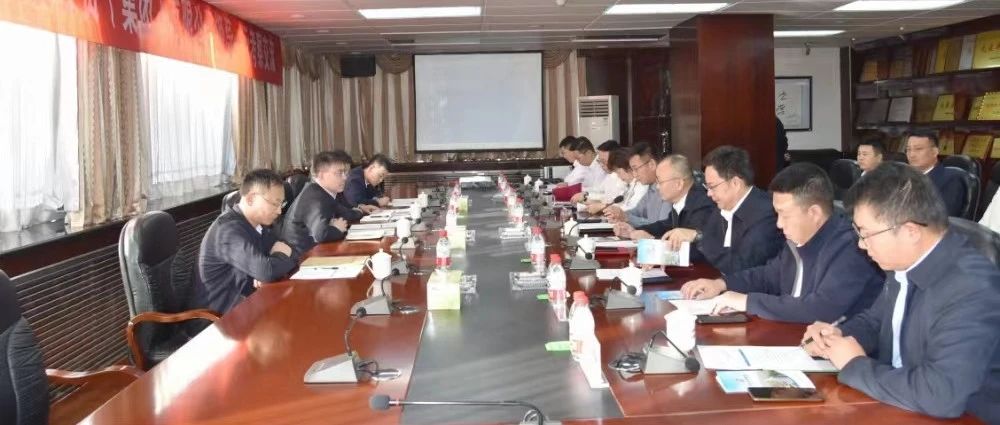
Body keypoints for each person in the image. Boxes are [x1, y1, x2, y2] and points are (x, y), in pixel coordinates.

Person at [802, 162, 1000, 424]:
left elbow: (940, 395)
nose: (861, 245)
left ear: (910, 231)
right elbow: (875, 322)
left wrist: (854, 365)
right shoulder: (904, 263)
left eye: (866, 234)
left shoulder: (972, 288)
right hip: (897, 403)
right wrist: (836, 337)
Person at [680, 163, 883, 323]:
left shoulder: (851, 248)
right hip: (792, 337)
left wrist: (747, 301)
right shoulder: (796, 240)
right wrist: (721, 284)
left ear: (814, 213)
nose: (778, 224)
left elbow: (820, 308)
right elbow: (769, 275)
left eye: (784, 215)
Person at [194, 169, 299, 315]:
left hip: (247, 303)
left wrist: (270, 266)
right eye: (275, 204)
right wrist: (270, 266)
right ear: (250, 199)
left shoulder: (259, 223)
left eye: (281, 204)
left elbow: (291, 250)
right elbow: (267, 270)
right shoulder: (227, 231)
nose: (279, 211)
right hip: (218, 317)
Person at [694, 145, 783, 274]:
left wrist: (698, 238)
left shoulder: (766, 214)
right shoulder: (723, 206)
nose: (709, 193)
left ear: (735, 183)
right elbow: (707, 249)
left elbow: (741, 265)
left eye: (712, 187)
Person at [629, 155, 715, 252]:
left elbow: (693, 250)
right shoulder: (680, 200)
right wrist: (634, 230)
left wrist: (651, 240)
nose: (657, 187)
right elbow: (665, 226)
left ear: (679, 184)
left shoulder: (702, 205)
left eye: (660, 182)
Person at [280, 150, 356, 252]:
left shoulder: (322, 192)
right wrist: (337, 228)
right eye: (339, 173)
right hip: (302, 256)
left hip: (314, 250)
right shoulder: (314, 197)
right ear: (321, 175)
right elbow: (321, 234)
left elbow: (342, 213)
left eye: (345, 173)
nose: (345, 177)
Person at [605, 142, 672, 230]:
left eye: (636, 169)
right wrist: (619, 215)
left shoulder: (669, 187)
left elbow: (662, 227)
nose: (635, 175)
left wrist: (626, 218)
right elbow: (635, 212)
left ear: (651, 164)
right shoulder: (651, 187)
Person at [905, 131, 965, 216]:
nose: (912, 155)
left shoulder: (950, 179)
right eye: (908, 150)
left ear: (935, 152)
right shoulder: (904, 177)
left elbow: (944, 216)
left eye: (918, 149)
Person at [585, 147, 647, 215]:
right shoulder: (631, 184)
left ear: (628, 168)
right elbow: (622, 205)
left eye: (618, 172)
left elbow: (632, 210)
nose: (618, 176)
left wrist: (603, 206)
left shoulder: (642, 185)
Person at [573, 140, 625, 205]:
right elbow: (599, 190)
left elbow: (610, 200)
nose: (601, 165)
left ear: (615, 159)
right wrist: (585, 194)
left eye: (604, 161)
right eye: (599, 161)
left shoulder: (622, 177)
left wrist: (585, 197)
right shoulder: (610, 175)